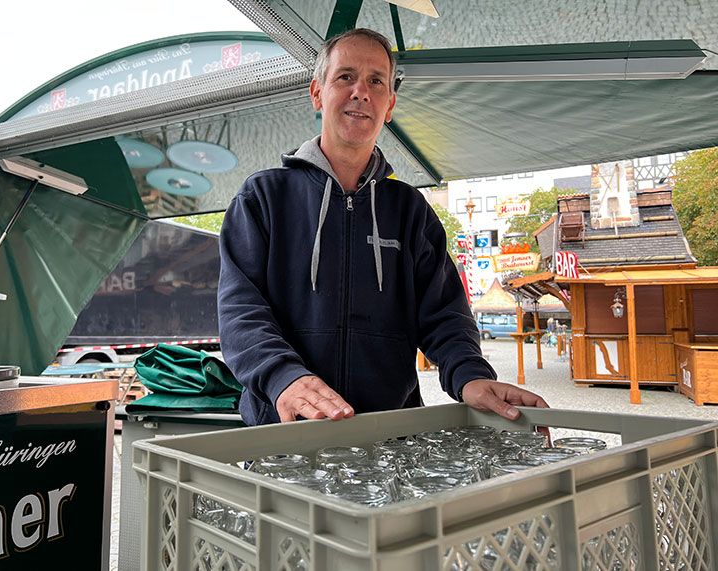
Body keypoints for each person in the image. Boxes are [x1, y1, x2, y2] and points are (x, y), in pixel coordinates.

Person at [218, 28, 548, 426]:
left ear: (389, 105)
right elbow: (240, 309)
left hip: (390, 439)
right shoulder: (264, 197)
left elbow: (444, 313)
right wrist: (282, 376)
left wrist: (470, 376)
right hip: (284, 433)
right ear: (317, 93)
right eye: (345, 77)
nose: (361, 91)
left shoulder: (410, 210)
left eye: (376, 81)